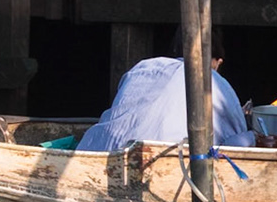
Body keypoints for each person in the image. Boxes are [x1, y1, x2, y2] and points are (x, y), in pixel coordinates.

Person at [76, 27, 257, 153]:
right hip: (162, 161)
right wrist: (253, 133)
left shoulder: (144, 67)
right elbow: (233, 145)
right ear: (217, 62)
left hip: (101, 147)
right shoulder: (215, 81)